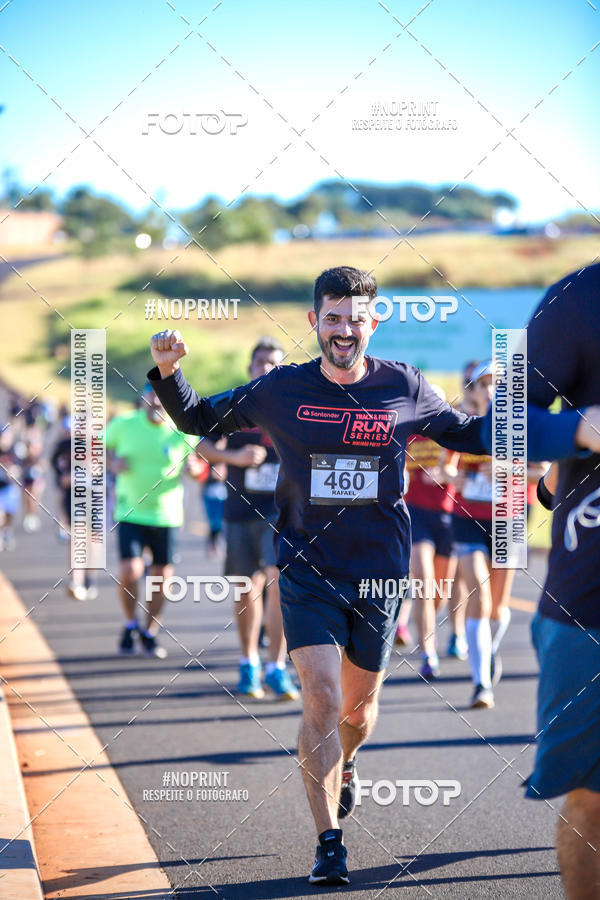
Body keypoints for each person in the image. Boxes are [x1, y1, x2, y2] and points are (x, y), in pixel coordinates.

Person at [147, 265, 502, 885]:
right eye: (332, 318)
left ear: (374, 320)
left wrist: (519, 407)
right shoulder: (280, 389)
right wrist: (170, 371)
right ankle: (329, 843)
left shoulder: (407, 385)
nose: (344, 330)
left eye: (355, 319)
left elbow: (470, 434)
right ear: (314, 321)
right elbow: (201, 419)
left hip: (380, 571)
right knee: (322, 696)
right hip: (307, 566)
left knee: (357, 715)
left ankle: (348, 761)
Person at [523, 262, 600, 900]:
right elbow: (505, 420)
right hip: (588, 604)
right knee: (593, 803)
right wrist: (578, 428)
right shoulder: (576, 301)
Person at [196, 337, 299, 701]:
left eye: (273, 363)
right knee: (246, 589)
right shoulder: (234, 405)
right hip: (239, 511)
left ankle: (277, 668)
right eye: (260, 362)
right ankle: (249, 663)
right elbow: (202, 447)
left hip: (281, 512)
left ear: (283, 369)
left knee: (280, 583)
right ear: (250, 368)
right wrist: (237, 459)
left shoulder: (294, 407)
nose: (266, 368)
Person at [105, 383, 199, 658]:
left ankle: (149, 632)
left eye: (163, 399)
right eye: (152, 397)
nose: (157, 403)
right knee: (130, 572)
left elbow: (197, 467)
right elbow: (94, 447)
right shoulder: (123, 425)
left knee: (161, 580)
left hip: (166, 515)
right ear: (143, 398)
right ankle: (129, 623)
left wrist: (195, 470)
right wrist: (111, 463)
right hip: (131, 511)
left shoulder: (183, 431)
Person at [450, 361, 515, 708]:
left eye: (496, 384)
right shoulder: (460, 425)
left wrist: (506, 469)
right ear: (472, 390)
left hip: (507, 519)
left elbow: (543, 471)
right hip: (467, 518)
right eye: (484, 385)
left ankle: (489, 650)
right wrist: (456, 477)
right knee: (479, 594)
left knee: (498, 608)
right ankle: (481, 685)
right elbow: (444, 469)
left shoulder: (519, 423)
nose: (490, 390)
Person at [403, 385, 464, 680]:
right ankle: (428, 652)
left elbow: (464, 471)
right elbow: (395, 469)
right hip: (416, 513)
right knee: (424, 584)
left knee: (442, 588)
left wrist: (448, 475)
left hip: (448, 516)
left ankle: (431, 629)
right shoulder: (408, 434)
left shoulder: (453, 434)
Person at [51, 415, 99, 601]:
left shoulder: (101, 445)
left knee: (94, 540)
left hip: (96, 497)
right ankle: (76, 581)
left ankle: (90, 579)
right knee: (77, 536)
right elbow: (57, 467)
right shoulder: (65, 446)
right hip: (74, 496)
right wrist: (65, 478)